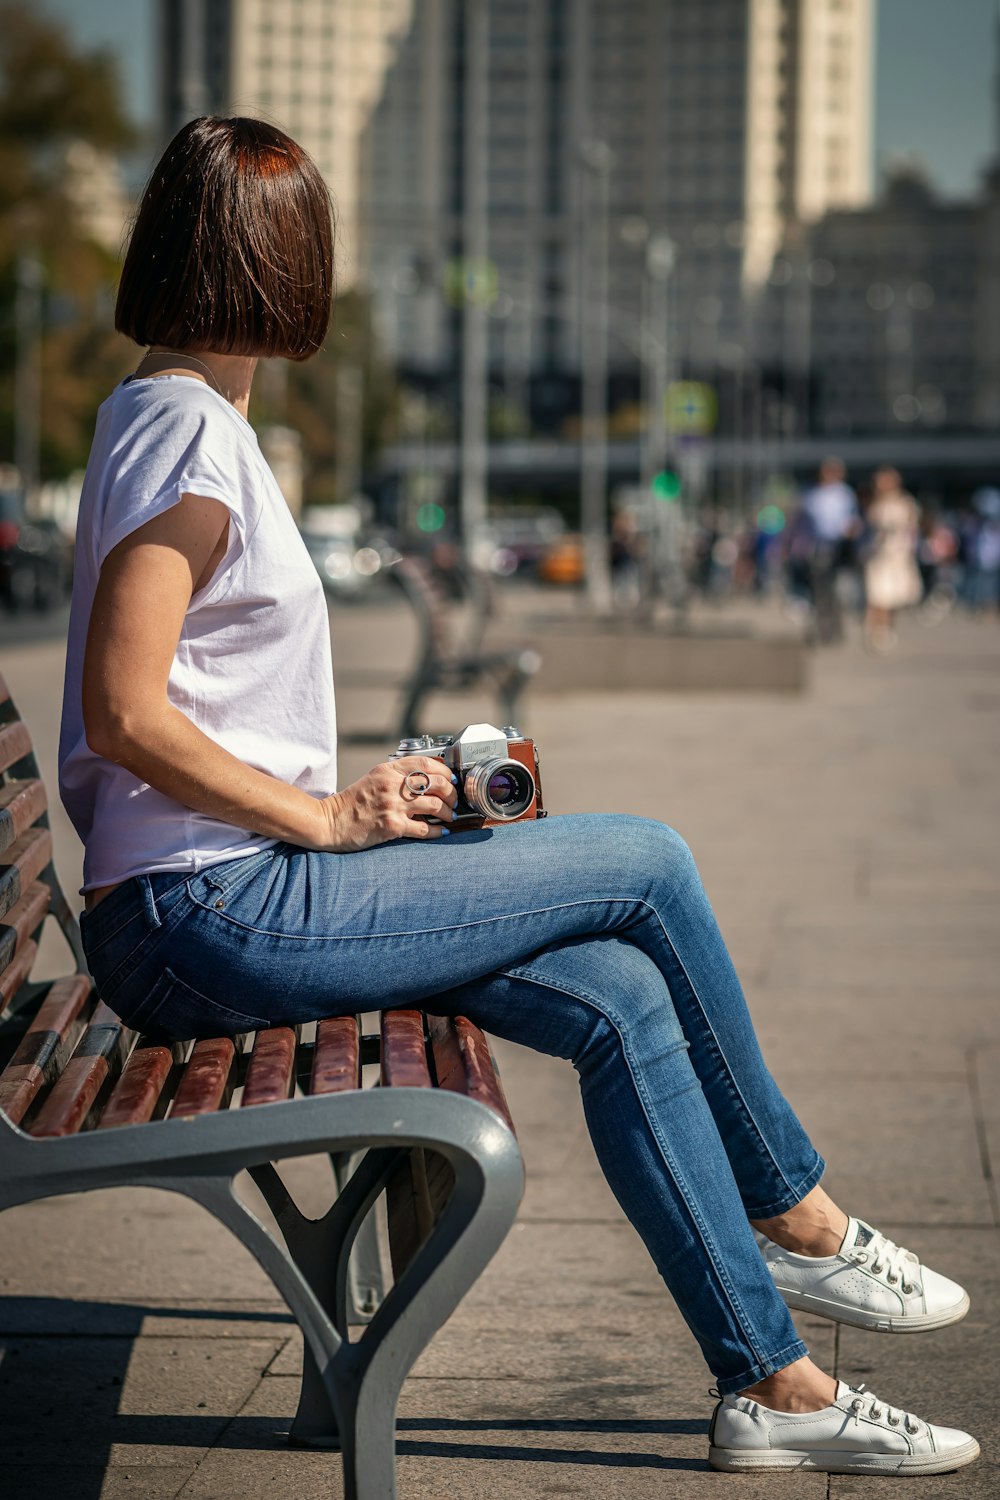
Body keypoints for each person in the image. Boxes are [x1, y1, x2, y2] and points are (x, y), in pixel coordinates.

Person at [59, 118, 978, 1477]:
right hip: (211, 910)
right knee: (648, 861)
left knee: (622, 992)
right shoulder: (189, 433)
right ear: (279, 258)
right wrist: (323, 819)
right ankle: (801, 1221)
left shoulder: (180, 413)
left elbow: (193, 702)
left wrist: (374, 789)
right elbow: (121, 711)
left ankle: (770, 1389)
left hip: (221, 895)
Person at [800, 458, 861, 643]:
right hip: (819, 548)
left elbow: (853, 520)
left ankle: (837, 629)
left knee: (840, 592)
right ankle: (822, 628)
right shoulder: (812, 495)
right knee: (820, 591)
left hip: (840, 548)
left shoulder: (845, 494)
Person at [862, 468, 923, 652]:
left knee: (894, 597)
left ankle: (887, 629)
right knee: (877, 595)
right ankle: (876, 630)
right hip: (879, 557)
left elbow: (912, 529)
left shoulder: (906, 503)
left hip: (898, 556)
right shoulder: (875, 504)